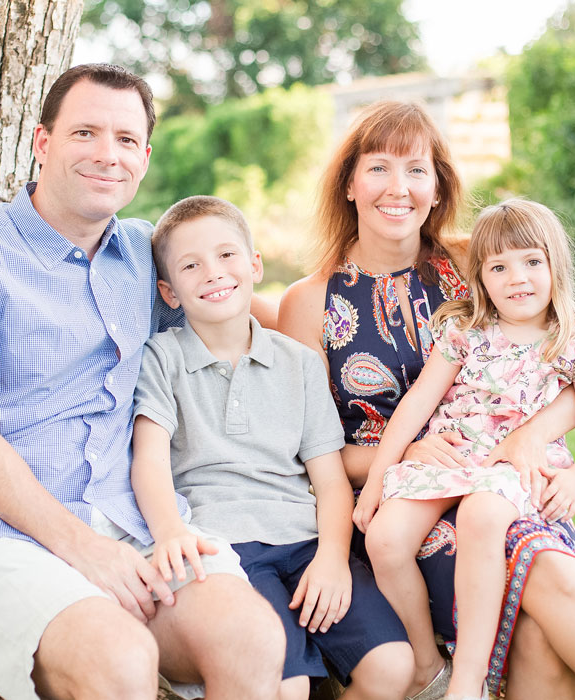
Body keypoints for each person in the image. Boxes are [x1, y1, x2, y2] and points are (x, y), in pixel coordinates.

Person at [0, 64, 285, 700]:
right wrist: (86, 550)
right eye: (85, 133)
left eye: (126, 140)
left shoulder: (141, 250)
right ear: (43, 143)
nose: (108, 155)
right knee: (121, 660)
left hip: (135, 523)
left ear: (145, 157)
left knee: (252, 637)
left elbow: (234, 300)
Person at [279, 100, 575, 700]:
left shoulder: (476, 261)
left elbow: (571, 365)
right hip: (392, 501)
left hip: (497, 478)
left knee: (537, 589)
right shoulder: (310, 301)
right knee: (536, 594)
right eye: (379, 168)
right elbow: (305, 452)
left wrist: (527, 435)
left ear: (439, 186)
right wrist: (408, 454)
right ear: (348, 183)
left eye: (417, 169)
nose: (399, 187)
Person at [131, 195, 414, 700]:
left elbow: (329, 480)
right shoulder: (162, 358)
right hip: (226, 548)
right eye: (190, 266)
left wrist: (331, 556)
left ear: (254, 264)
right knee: (288, 687)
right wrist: (171, 531)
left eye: (226, 255)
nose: (213, 273)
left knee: (393, 666)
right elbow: (149, 460)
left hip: (306, 543)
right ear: (168, 292)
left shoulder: (299, 363)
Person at [353, 198, 575, 700]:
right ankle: (427, 665)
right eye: (499, 267)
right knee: (386, 540)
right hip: (451, 457)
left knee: (480, 517)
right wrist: (374, 485)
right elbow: (415, 405)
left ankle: (469, 679)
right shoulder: (465, 330)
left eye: (531, 262)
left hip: (511, 466)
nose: (517, 278)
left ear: (555, 265)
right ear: (480, 276)